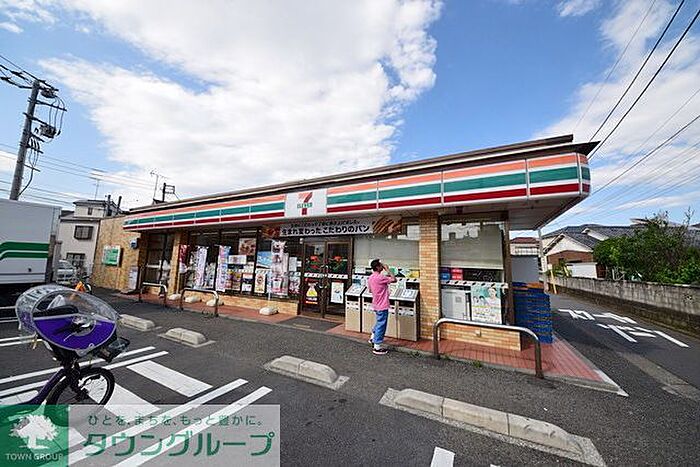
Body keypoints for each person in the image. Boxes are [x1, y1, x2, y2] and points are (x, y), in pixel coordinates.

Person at [367, 258, 396, 355]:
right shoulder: (381, 277)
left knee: (379, 322)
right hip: (382, 304)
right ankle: (377, 346)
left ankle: (373, 338)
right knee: (381, 325)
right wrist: (388, 269)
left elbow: (370, 290)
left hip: (376, 303)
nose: (382, 266)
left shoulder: (371, 277)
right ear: (377, 267)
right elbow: (394, 279)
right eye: (381, 265)